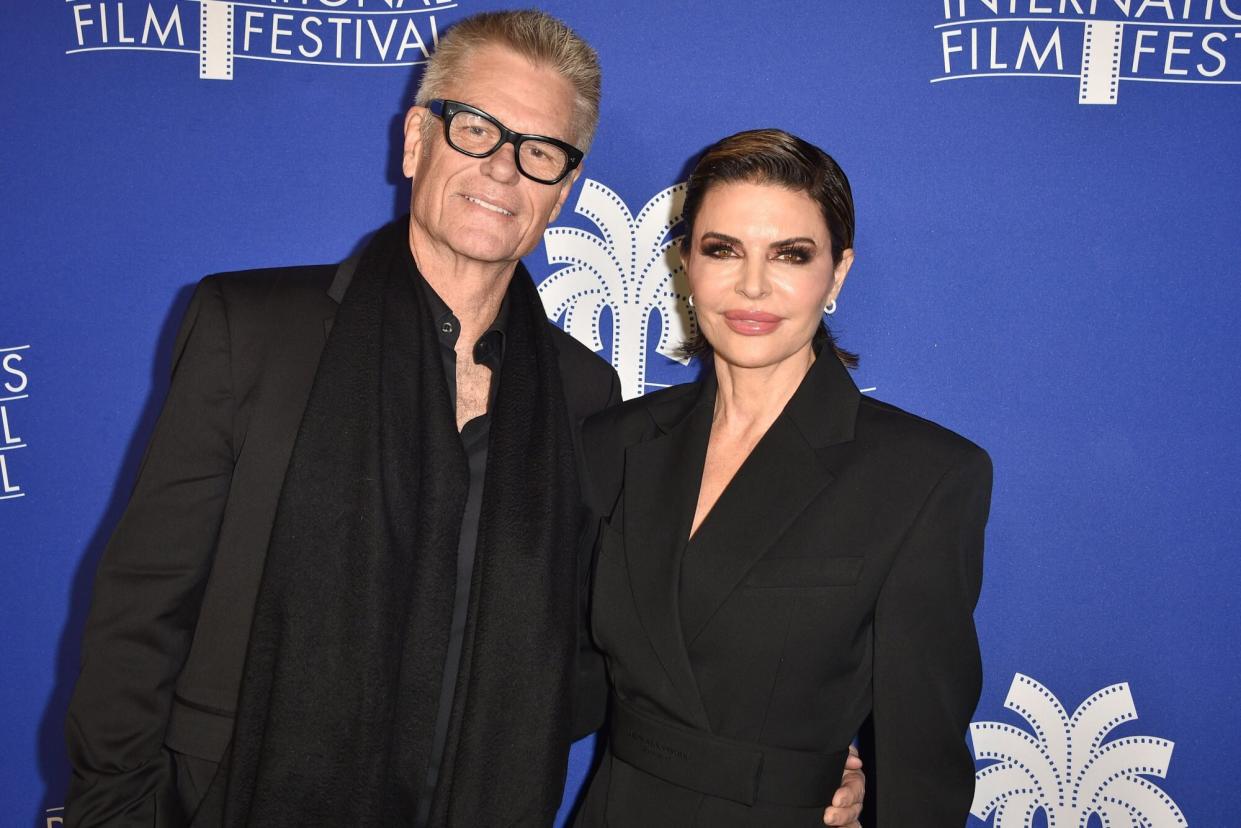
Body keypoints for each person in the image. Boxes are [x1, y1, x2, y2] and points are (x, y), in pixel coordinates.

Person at [63, 11, 866, 828]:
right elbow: (141, 608)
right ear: (416, 139)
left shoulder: (584, 394)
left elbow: (614, 646)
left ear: (565, 190)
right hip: (232, 797)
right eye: (476, 129)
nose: (503, 170)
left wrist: (785, 757)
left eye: (539, 151)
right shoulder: (254, 328)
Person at [574, 129, 992, 826]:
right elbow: (555, 674)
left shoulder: (923, 477)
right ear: (686, 264)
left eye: (790, 255)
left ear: (837, 273)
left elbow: (922, 764)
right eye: (721, 249)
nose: (752, 285)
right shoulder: (612, 441)